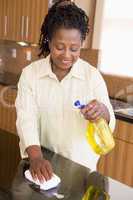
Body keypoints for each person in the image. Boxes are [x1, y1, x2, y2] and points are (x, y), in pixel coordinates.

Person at [15, 1, 116, 183]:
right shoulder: (30, 75)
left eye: (74, 49)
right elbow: (26, 118)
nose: (67, 55)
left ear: (81, 44)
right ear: (49, 40)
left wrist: (102, 111)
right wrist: (36, 157)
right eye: (59, 47)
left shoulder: (92, 77)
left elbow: (109, 119)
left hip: (81, 170)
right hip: (44, 165)